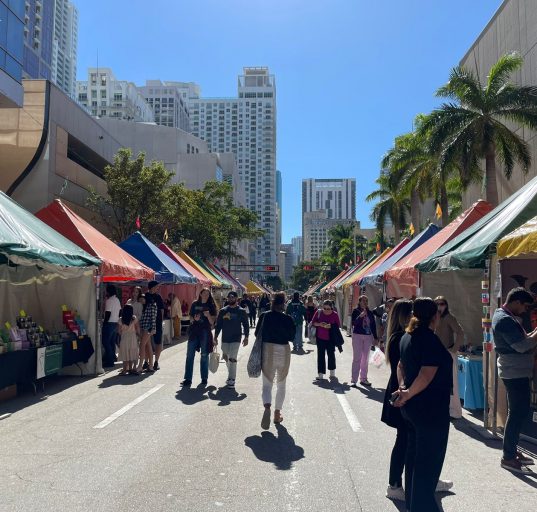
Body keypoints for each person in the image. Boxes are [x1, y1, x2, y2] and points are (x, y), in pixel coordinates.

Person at [393, 297, 453, 512]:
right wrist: (407, 393)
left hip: (413, 409)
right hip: (430, 410)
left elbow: (401, 366)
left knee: (414, 460)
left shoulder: (407, 337)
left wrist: (403, 390)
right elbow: (426, 375)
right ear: (435, 316)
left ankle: (413, 504)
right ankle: (423, 507)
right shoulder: (429, 339)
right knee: (427, 464)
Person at [492, 287, 537, 474]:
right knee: (517, 413)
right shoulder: (504, 319)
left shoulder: (504, 316)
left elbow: (523, 340)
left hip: (516, 371)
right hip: (514, 372)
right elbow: (521, 345)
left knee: (517, 412)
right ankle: (508, 457)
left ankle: (511, 450)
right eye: (525, 306)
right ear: (516, 302)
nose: (525, 310)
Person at [255, 292, 296, 429]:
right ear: (283, 303)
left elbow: (257, 334)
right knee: (281, 384)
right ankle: (277, 413)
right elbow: (292, 336)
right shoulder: (288, 318)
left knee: (267, 385)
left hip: (268, 350)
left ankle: (267, 407)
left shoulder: (264, 316)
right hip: (284, 350)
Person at [434, 296, 465, 419]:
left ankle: (455, 411)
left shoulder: (449, 317)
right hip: (438, 353)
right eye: (437, 303)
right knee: (440, 382)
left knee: (452, 383)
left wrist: (454, 349)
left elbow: (460, 332)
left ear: (446, 305)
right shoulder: (435, 317)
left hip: (448, 352)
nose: (439, 306)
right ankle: (445, 408)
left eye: (442, 303)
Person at [181, 288, 217, 388]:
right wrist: (194, 319)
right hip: (194, 331)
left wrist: (208, 315)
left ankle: (204, 379)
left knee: (204, 355)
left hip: (205, 332)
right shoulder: (194, 304)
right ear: (200, 294)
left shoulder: (211, 305)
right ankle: (188, 379)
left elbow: (212, 323)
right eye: (204, 293)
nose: (206, 295)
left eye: (207, 294)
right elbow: (191, 317)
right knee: (189, 355)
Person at [214, 291, 249, 389]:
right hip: (225, 339)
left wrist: (246, 337)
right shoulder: (223, 311)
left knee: (232, 358)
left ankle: (232, 379)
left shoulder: (241, 311)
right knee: (226, 358)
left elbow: (246, 325)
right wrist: (215, 337)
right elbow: (218, 325)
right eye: (229, 297)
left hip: (236, 338)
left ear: (237, 299)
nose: (230, 299)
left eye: (233, 297)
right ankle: (230, 375)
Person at [351, 295, 379, 386]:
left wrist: (375, 337)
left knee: (365, 359)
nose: (365, 302)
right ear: (359, 302)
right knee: (357, 358)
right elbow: (353, 323)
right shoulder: (355, 311)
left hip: (368, 336)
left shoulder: (370, 313)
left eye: (366, 301)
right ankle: (353, 380)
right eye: (363, 301)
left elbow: (373, 325)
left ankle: (363, 379)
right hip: (357, 336)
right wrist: (360, 317)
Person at [311, 300, 341, 380]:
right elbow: (313, 323)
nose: (326, 310)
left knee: (331, 355)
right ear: (322, 307)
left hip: (331, 338)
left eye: (328, 309)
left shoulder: (335, 314)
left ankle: (332, 373)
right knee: (320, 355)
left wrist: (330, 326)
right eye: (325, 308)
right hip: (320, 337)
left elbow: (338, 325)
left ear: (332, 308)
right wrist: (320, 324)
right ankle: (320, 374)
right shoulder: (319, 312)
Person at [145, 281, 164, 371]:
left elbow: (161, 310)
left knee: (158, 342)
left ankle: (156, 361)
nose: (158, 288)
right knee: (146, 342)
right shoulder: (145, 296)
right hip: (147, 323)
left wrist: (160, 321)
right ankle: (147, 361)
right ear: (152, 287)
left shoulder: (158, 297)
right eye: (157, 287)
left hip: (157, 323)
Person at [136, 293, 156, 374]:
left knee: (142, 345)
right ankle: (150, 366)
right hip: (145, 327)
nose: (141, 301)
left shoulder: (152, 306)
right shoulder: (145, 306)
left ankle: (140, 366)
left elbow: (153, 318)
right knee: (148, 346)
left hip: (148, 328)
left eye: (142, 299)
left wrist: (153, 329)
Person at [102, 284, 121, 368]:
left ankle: (109, 361)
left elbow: (108, 313)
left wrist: (104, 323)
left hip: (109, 323)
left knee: (106, 342)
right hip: (115, 323)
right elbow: (120, 311)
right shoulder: (117, 300)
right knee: (111, 342)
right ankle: (113, 358)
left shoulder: (109, 300)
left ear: (109, 291)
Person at [118, 304, 140, 375]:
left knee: (125, 353)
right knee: (131, 352)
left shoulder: (121, 319)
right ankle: (131, 368)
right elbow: (137, 328)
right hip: (132, 337)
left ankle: (124, 370)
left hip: (124, 337)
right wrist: (138, 335)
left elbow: (119, 331)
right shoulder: (134, 318)